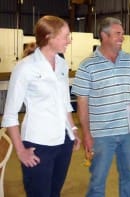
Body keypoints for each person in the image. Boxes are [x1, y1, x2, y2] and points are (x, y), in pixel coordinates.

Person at [1, 15, 81, 197]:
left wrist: (73, 129)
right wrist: (20, 150)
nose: (69, 41)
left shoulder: (61, 63)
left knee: (54, 192)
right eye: (65, 36)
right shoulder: (25, 68)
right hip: (39, 144)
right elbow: (10, 115)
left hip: (64, 141)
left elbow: (65, 103)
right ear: (49, 38)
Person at [71, 17, 130, 197]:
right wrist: (86, 134)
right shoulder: (87, 66)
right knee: (98, 180)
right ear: (104, 35)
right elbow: (82, 103)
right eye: (118, 33)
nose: (122, 37)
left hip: (128, 131)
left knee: (129, 175)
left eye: (122, 33)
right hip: (101, 134)